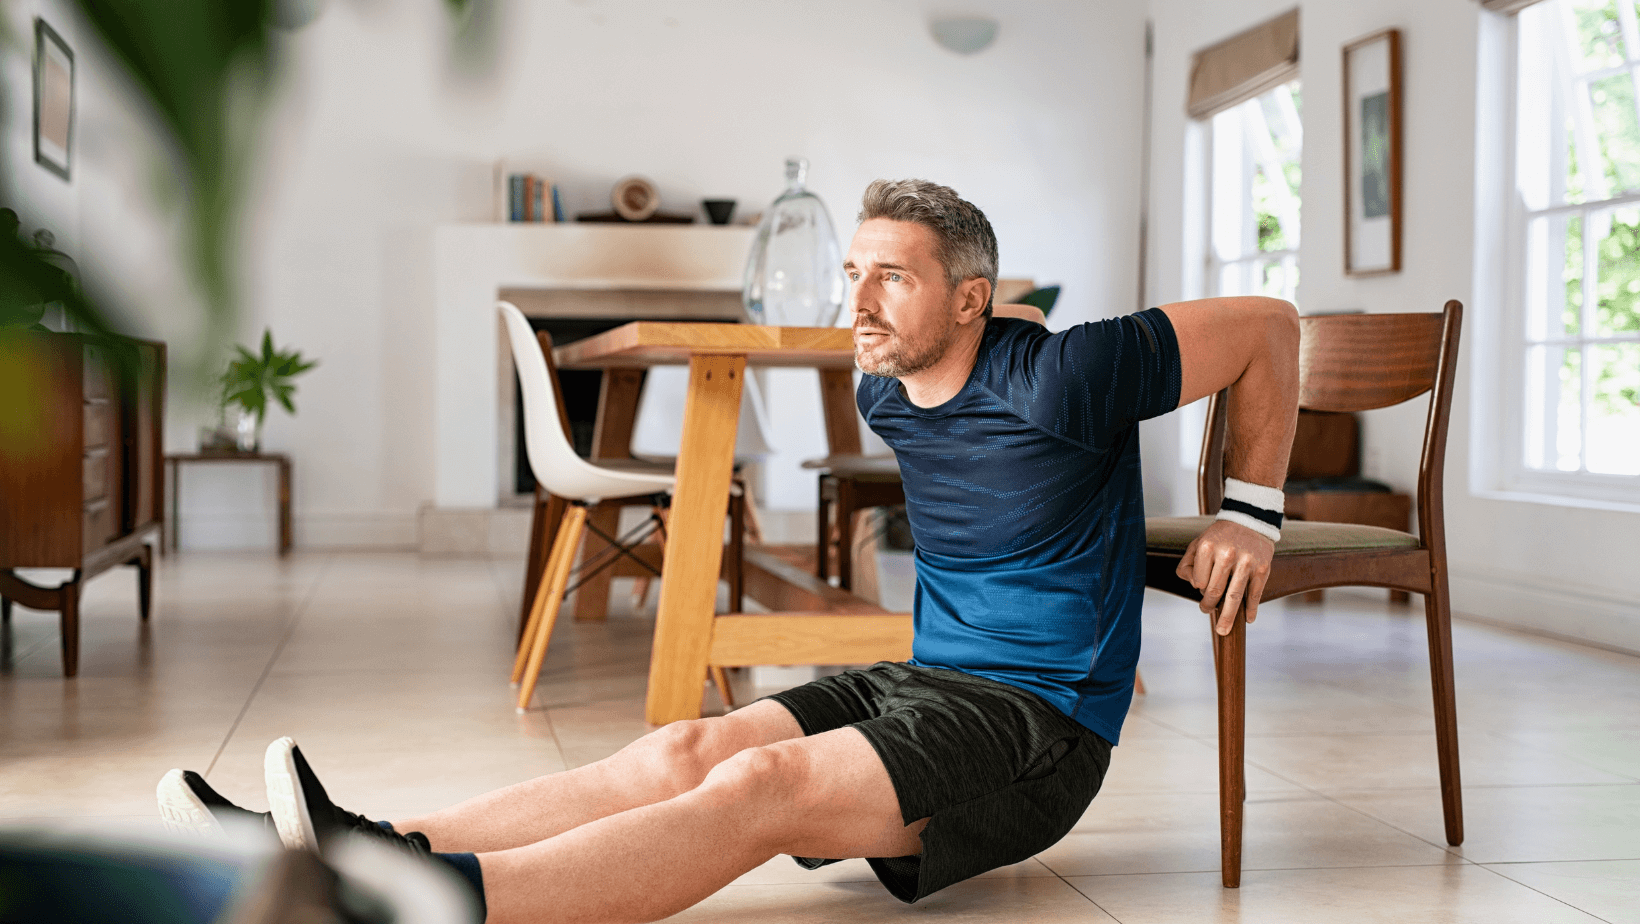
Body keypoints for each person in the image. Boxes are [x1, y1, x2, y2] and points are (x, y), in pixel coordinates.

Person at [156, 179, 1299, 924]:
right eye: (852, 270)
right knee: (683, 748)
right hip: (924, 681)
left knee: (757, 785)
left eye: (889, 275)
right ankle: (353, 848)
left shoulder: (1064, 370)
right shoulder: (885, 384)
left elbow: (1267, 328)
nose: (856, 297)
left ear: (971, 301)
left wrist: (1249, 510)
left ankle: (428, 904)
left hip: (1037, 727)